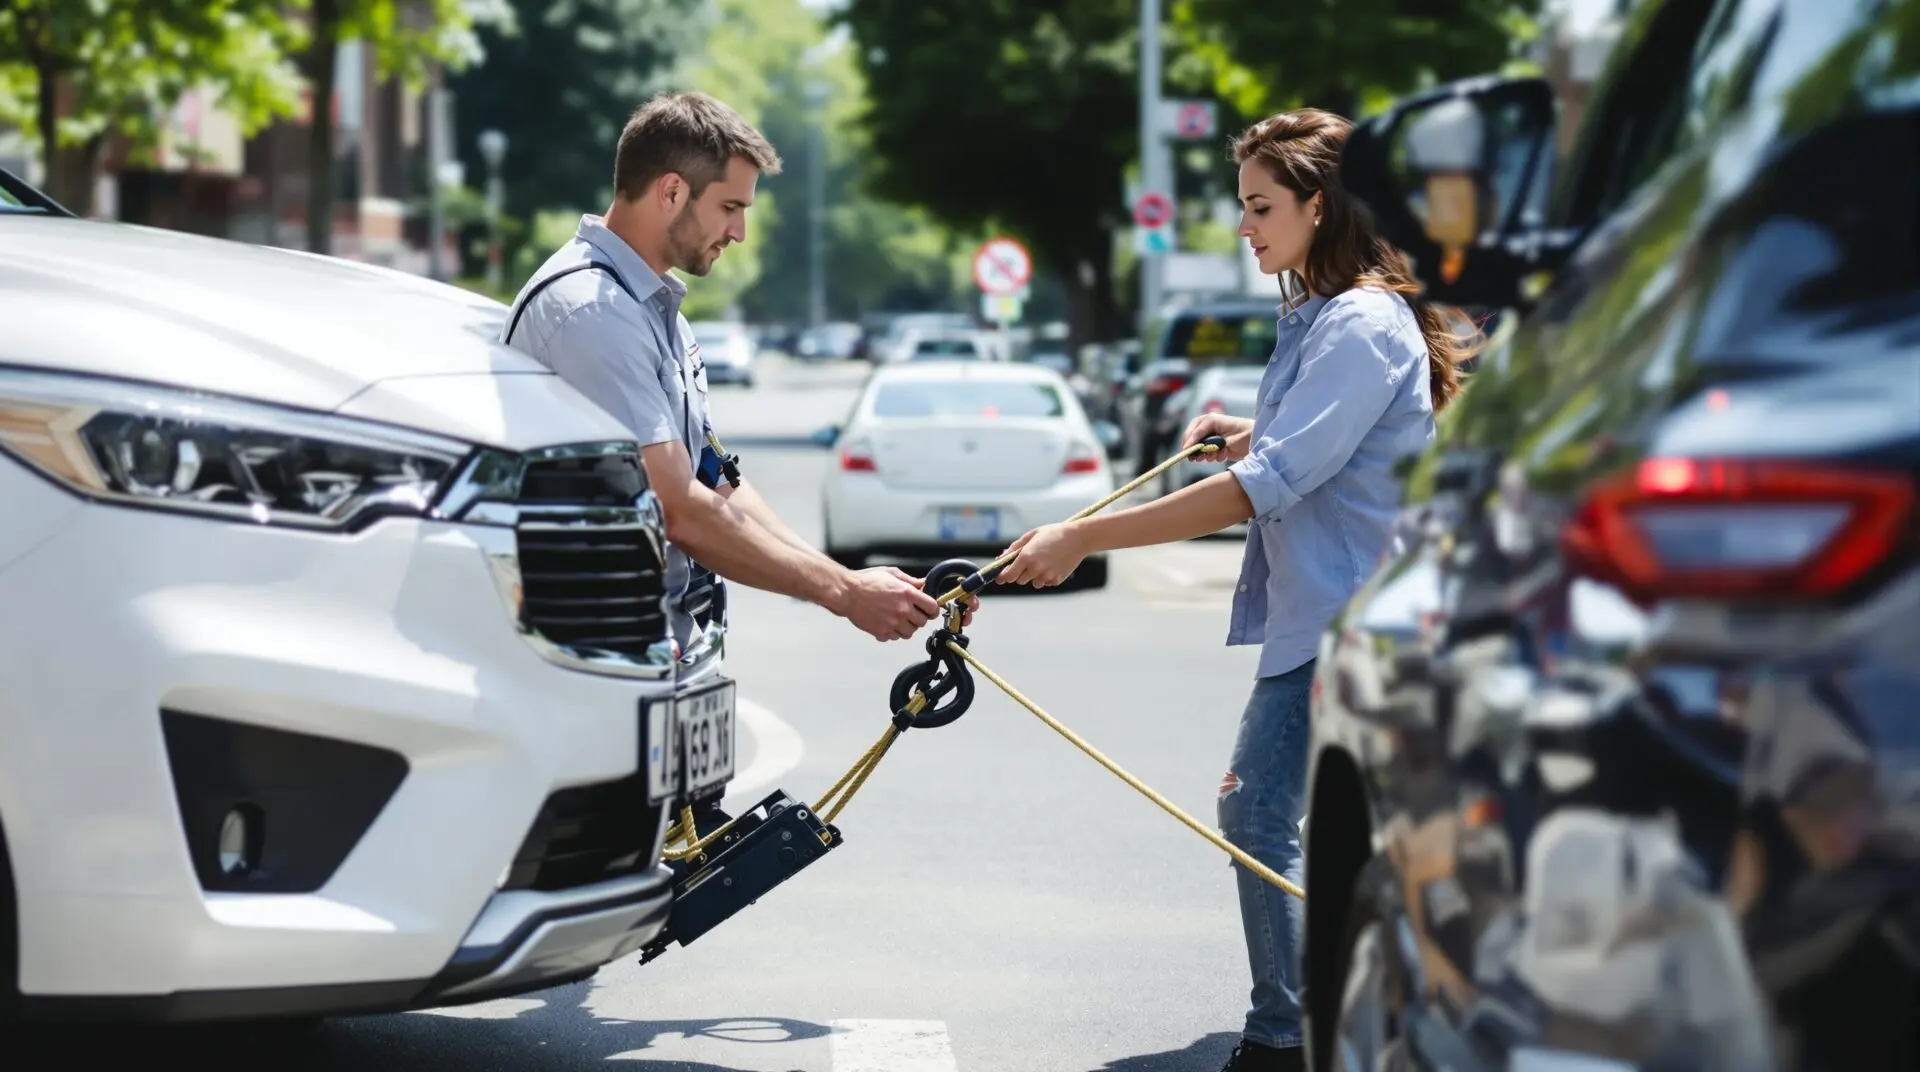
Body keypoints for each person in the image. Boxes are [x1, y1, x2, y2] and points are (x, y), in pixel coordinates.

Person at [995, 108, 1477, 1072]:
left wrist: (1083, 538)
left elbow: (1268, 488)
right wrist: (1254, 430)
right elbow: (1326, 445)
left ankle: (1286, 1038)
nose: (1246, 229)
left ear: (1318, 203)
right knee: (1357, 832)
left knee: (1260, 812)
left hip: (1355, 630)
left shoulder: (1359, 320)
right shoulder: (1334, 315)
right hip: (1345, 623)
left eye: (1261, 207)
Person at [501, 91, 952, 645]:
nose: (739, 232)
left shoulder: (650, 307)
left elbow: (716, 482)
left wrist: (847, 579)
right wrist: (842, 592)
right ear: (671, 192)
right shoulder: (592, 310)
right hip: (590, 648)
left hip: (656, 641)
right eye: (730, 208)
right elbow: (676, 507)